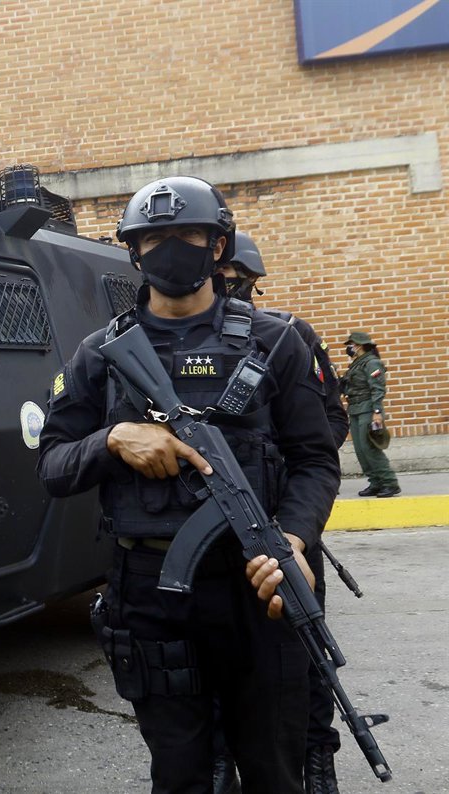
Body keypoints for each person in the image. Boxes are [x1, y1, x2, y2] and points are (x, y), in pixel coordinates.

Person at [38, 176, 339, 793]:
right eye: (153, 239)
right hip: (151, 591)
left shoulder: (276, 341)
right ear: (134, 252)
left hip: (258, 581)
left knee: (275, 770)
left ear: (218, 246)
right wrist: (113, 439)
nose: (170, 249)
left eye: (188, 235)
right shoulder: (100, 355)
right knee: (179, 774)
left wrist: (294, 542)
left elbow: (314, 459)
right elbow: (53, 464)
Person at [215, 231, 348, 794]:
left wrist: (289, 490)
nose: (228, 289)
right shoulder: (171, 340)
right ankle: (220, 760)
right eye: (221, 280)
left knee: (304, 654)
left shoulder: (287, 336)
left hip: (282, 526)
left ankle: (317, 757)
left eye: (237, 281)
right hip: (213, 529)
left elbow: (330, 424)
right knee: (214, 659)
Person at [341, 332, 400, 498]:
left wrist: (377, 412)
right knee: (361, 450)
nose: (349, 348)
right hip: (355, 409)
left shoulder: (372, 363)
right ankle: (375, 482)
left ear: (359, 345)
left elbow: (378, 389)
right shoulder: (357, 363)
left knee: (370, 447)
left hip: (368, 409)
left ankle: (390, 483)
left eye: (351, 344)